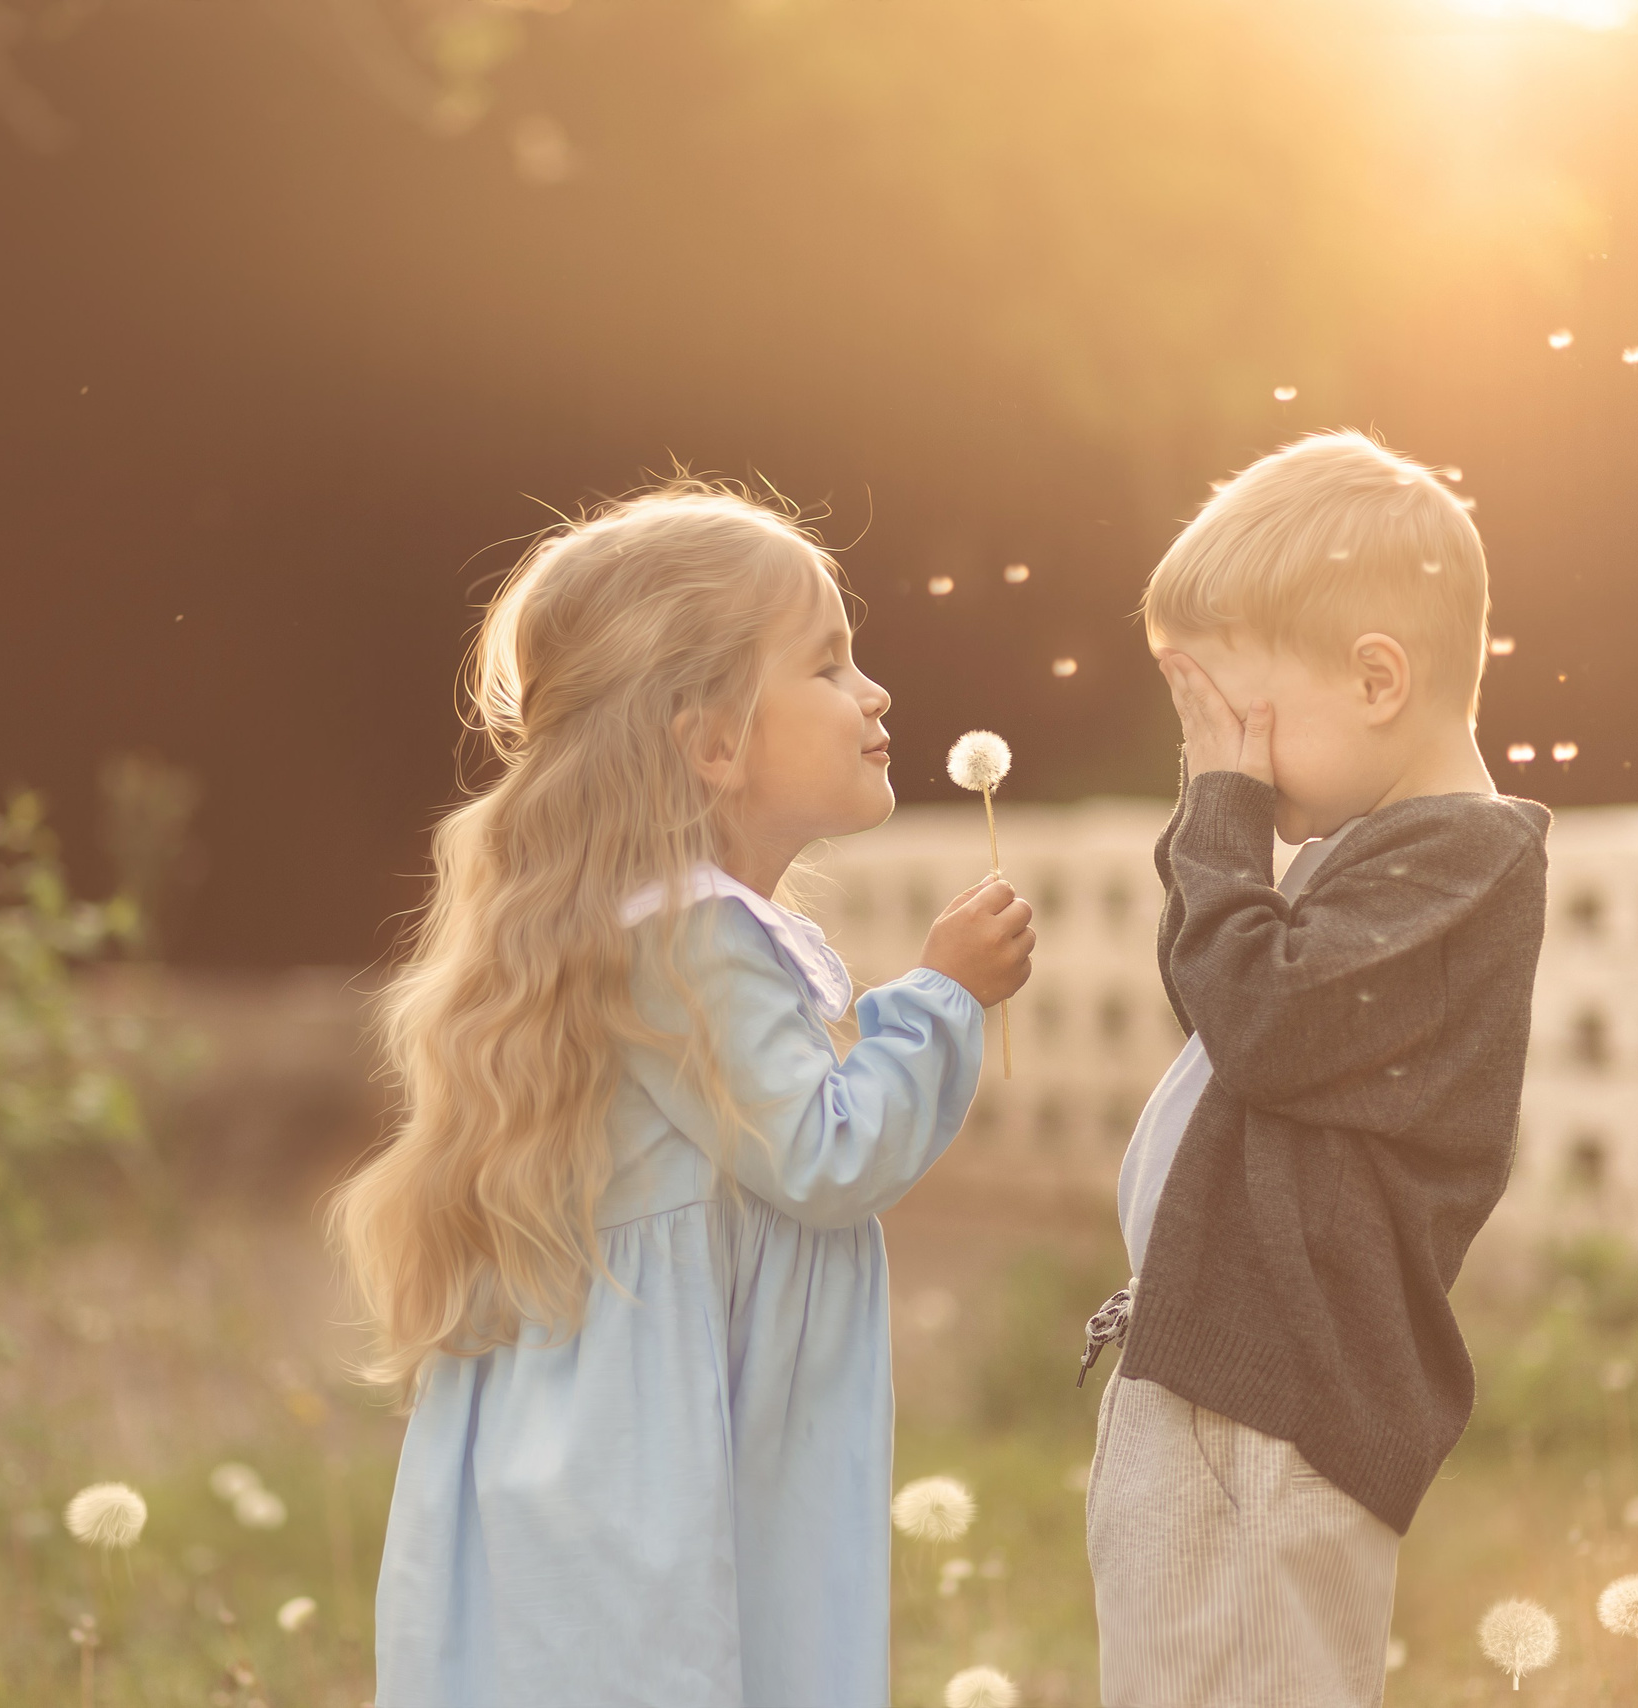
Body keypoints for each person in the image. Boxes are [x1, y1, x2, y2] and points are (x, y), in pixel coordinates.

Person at [333, 481, 1036, 1707]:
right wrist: (941, 999)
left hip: (645, 1435)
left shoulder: (671, 933)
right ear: (710, 741)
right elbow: (825, 1156)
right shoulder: (687, 940)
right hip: (645, 1469)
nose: (872, 694)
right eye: (828, 665)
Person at [1085, 431, 1551, 1707]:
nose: (1218, 756)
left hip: (1272, 1401)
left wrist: (1222, 814)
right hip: (1226, 1382)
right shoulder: (1387, 855)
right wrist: (1222, 807)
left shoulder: (1458, 868)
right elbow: (1214, 995)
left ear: (1376, 678)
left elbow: (1263, 1017)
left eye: (1235, 719)